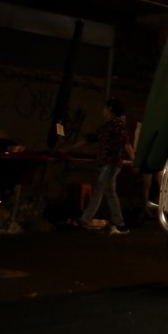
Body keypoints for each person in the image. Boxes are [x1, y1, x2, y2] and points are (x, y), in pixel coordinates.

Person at [68, 97, 134, 235]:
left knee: (99, 189)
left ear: (110, 109)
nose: (102, 111)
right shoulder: (107, 126)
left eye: (105, 108)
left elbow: (126, 143)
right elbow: (90, 139)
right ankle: (119, 222)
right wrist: (69, 149)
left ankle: (86, 218)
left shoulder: (117, 125)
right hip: (107, 163)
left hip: (111, 163)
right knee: (110, 192)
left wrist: (134, 159)